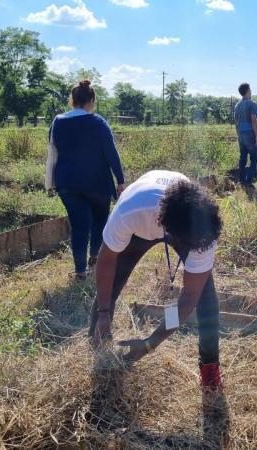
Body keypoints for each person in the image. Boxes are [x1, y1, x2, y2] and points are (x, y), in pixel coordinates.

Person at [89, 170, 223, 395]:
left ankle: (210, 369)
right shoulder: (130, 213)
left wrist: (151, 342)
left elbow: (189, 296)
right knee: (110, 288)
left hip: (178, 220)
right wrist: (103, 313)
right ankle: (98, 357)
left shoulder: (204, 234)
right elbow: (106, 260)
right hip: (144, 221)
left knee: (206, 298)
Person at [46, 80, 125, 279]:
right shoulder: (97, 123)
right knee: (100, 220)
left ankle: (80, 270)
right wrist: (120, 180)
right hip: (97, 182)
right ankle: (95, 258)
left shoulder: (58, 122)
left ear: (72, 100)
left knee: (79, 225)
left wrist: (50, 182)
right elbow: (111, 153)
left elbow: (52, 151)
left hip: (67, 183)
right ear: (92, 100)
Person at [233, 83, 257, 185]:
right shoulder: (252, 104)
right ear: (248, 90)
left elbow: (236, 122)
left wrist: (238, 134)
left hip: (240, 134)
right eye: (250, 89)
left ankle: (241, 180)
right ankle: (249, 181)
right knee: (254, 158)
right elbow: (253, 120)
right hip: (249, 134)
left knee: (243, 158)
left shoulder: (237, 105)